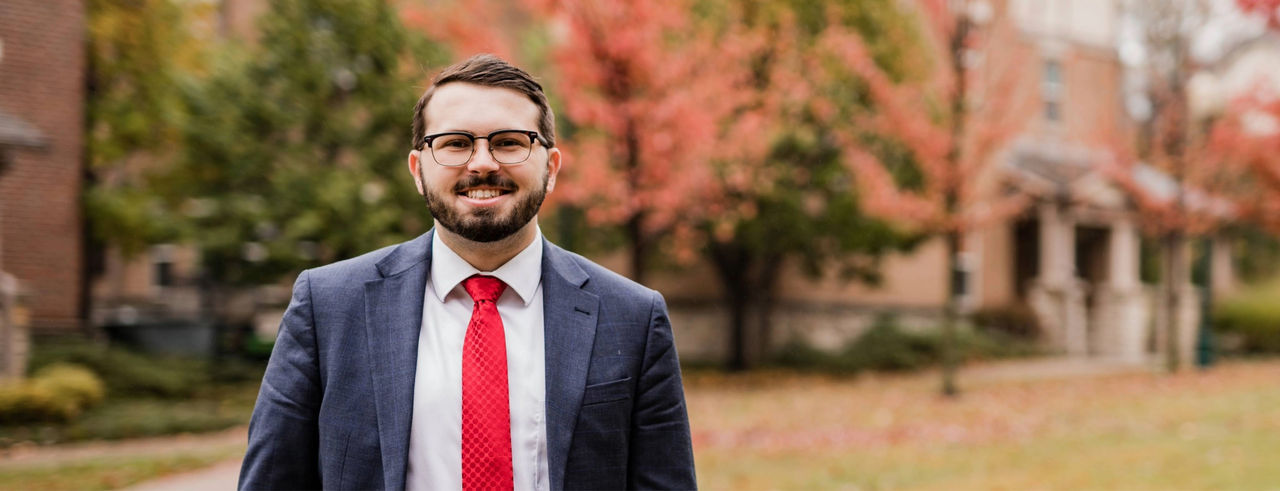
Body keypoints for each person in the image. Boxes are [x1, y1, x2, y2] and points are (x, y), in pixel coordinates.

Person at [238, 54, 696, 491]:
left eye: (509, 142)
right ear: (418, 170)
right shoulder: (328, 306)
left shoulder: (634, 317)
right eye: (455, 143)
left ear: (551, 168)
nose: (481, 163)